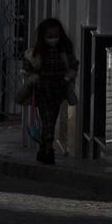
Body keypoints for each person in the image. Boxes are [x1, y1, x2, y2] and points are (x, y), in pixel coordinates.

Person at [21, 17, 79, 165]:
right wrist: (33, 77)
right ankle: (48, 148)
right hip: (43, 90)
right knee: (47, 119)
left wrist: (67, 78)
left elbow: (73, 66)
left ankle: (44, 146)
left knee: (51, 119)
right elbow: (29, 66)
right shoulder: (38, 52)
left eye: (55, 36)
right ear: (43, 37)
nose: (53, 39)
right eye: (50, 37)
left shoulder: (64, 52)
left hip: (58, 90)